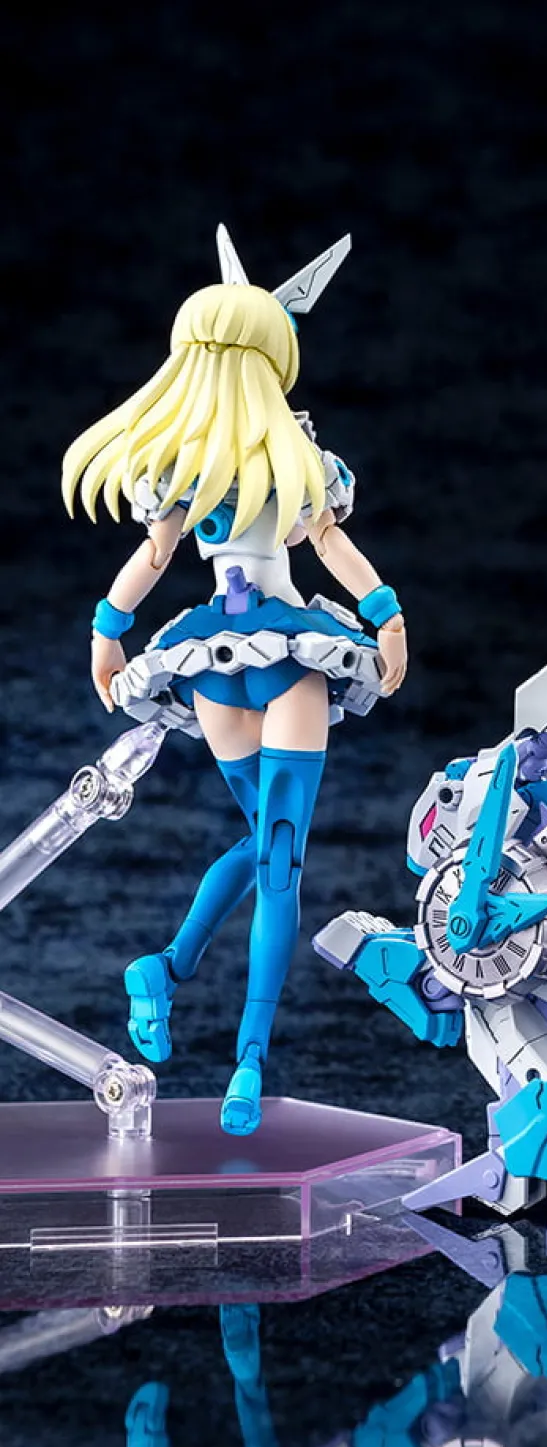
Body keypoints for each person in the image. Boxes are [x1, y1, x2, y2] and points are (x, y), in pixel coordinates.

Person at [61, 230, 407, 1135]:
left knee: (269, 850)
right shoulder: (246, 454)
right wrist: (385, 617)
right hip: (265, 661)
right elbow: (299, 541)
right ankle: (237, 1048)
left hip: (229, 662)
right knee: (277, 858)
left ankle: (174, 977)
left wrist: (107, 633)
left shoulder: (236, 455)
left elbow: (177, 555)